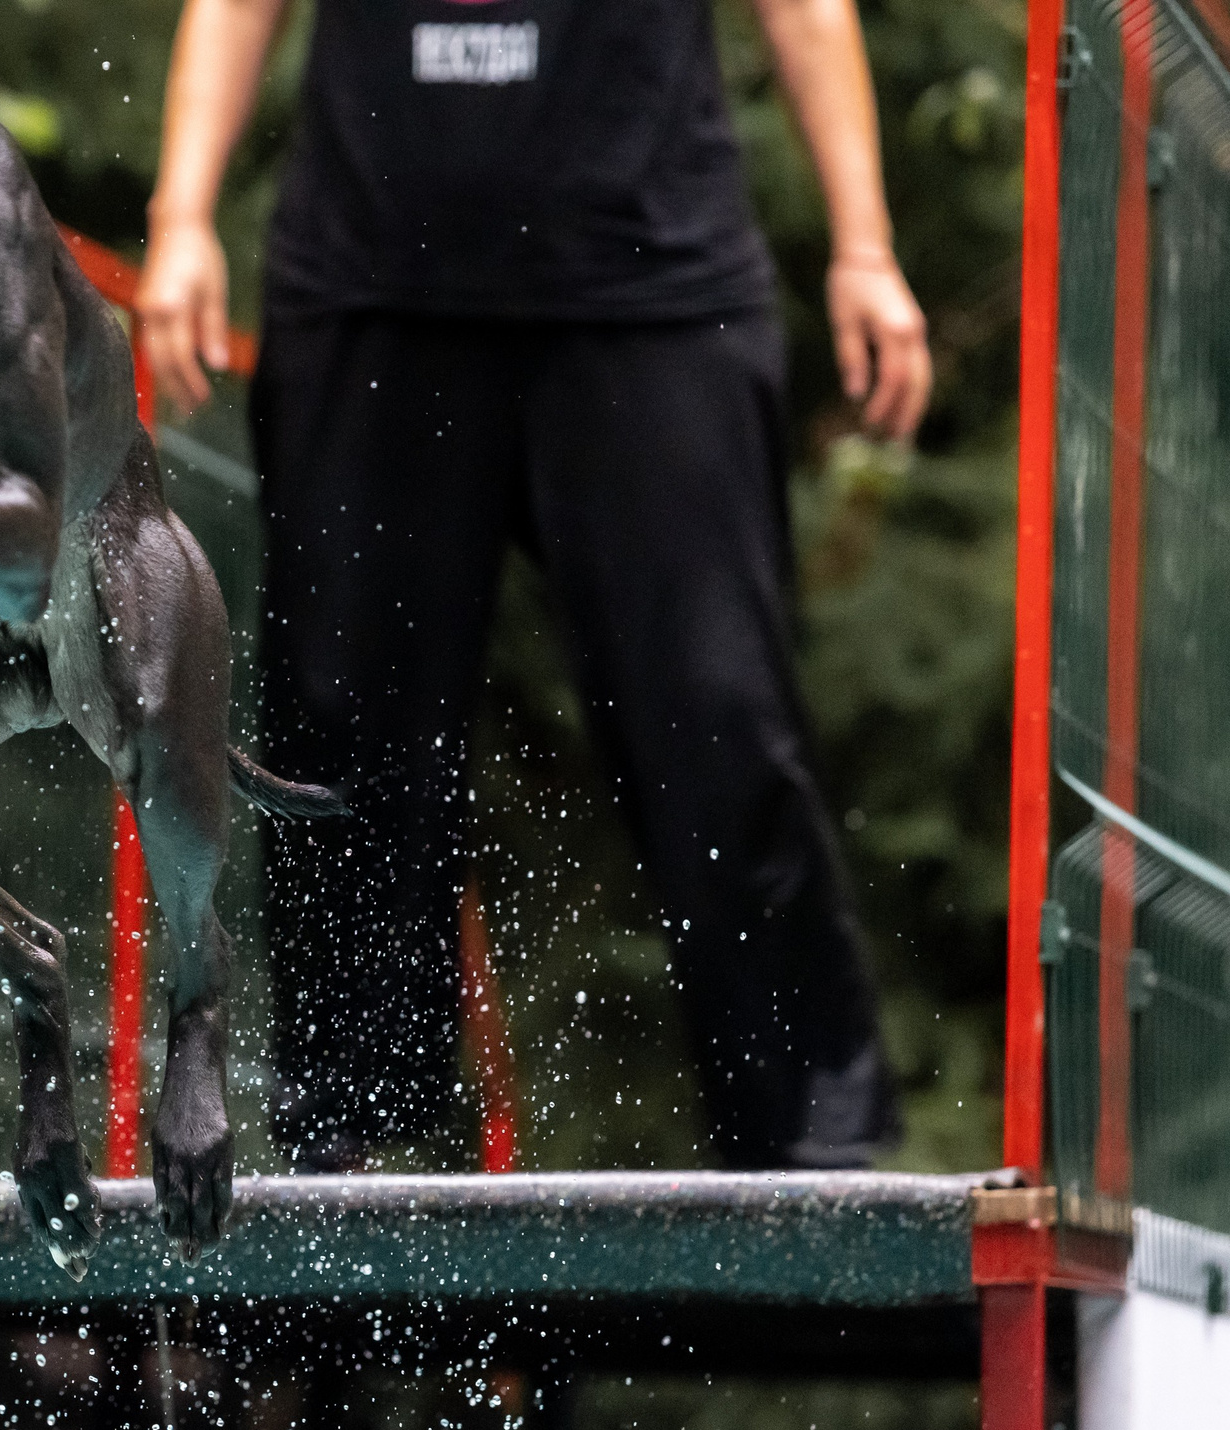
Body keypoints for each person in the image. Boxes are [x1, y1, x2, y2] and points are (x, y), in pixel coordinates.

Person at [136, 0, 932, 1169]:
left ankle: (809, 1145)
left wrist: (864, 249)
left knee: (716, 710)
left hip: (651, 281)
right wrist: (182, 215)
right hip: (373, 279)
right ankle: (363, 1145)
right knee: (341, 720)